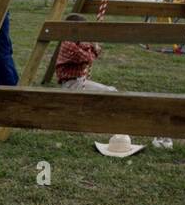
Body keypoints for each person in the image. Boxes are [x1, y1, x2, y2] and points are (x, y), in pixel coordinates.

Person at [54, 13, 146, 157]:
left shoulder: (76, 41)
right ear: (73, 30)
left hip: (78, 82)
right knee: (110, 92)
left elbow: (95, 51)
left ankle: (110, 113)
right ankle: (112, 115)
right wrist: (93, 46)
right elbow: (89, 57)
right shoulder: (68, 44)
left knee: (111, 91)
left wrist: (93, 45)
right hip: (72, 85)